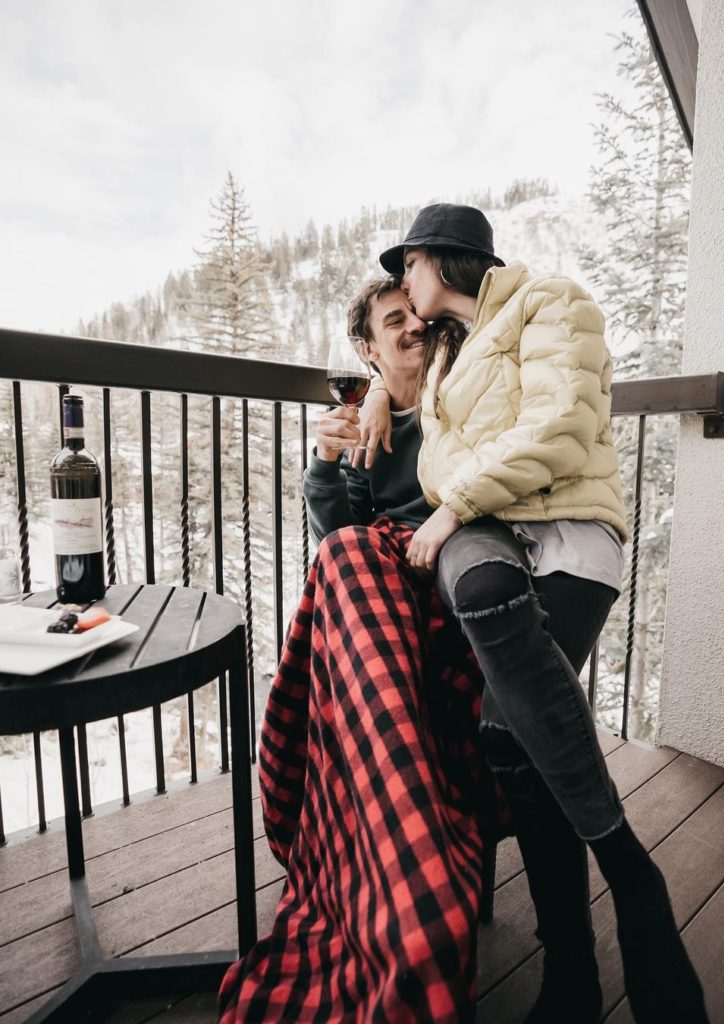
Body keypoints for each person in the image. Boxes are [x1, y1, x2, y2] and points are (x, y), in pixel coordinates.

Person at [359, 203, 709, 1024]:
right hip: (490, 542)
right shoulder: (446, 353)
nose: (402, 282)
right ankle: (594, 929)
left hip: (569, 537)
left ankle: (582, 959)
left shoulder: (551, 302)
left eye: (408, 265)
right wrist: (376, 390)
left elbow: (562, 423)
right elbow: (405, 390)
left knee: (513, 738)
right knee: (511, 737)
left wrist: (454, 509)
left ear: (441, 259)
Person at [217, 276, 505, 1024]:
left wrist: (385, 400)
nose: (413, 326)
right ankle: (397, 863)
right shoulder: (368, 427)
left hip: (456, 583)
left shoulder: (462, 396)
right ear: (366, 349)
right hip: (380, 595)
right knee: (346, 556)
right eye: (392, 320)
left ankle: (404, 861)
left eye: (416, 314)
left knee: (346, 566)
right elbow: (336, 531)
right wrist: (326, 462)